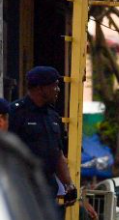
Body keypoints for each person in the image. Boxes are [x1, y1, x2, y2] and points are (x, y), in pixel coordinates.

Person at [8, 67, 77, 207]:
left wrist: (69, 184)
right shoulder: (16, 113)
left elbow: (58, 155)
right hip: (23, 189)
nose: (58, 90)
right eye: (54, 85)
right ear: (40, 88)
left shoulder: (53, 116)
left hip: (47, 190)